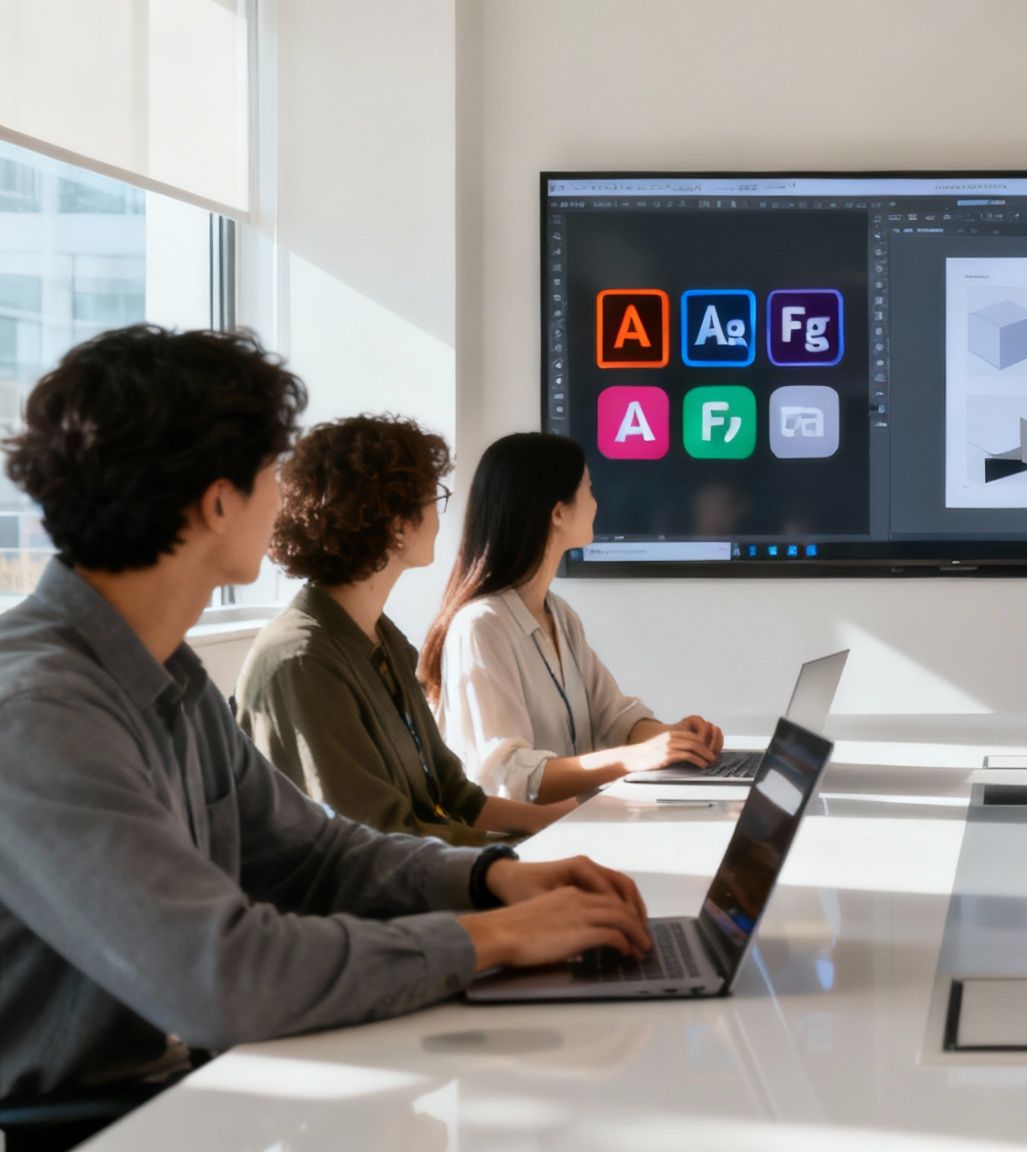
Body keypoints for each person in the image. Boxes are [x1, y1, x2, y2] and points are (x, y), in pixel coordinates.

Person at [0, 326, 652, 1101]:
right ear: (218, 501)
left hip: (199, 1085)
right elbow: (223, 975)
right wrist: (492, 936)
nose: (284, 498)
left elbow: (318, 856)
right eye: (271, 471)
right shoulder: (39, 712)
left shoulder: (168, 672)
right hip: (110, 1121)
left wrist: (491, 880)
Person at [237, 415, 575, 845]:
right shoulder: (302, 660)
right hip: (374, 894)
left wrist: (547, 823)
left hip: (419, 869)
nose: (441, 515)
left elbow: (455, 795)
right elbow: (376, 836)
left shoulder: (384, 638)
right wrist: (511, 860)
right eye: (435, 498)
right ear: (398, 526)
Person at [421, 432, 725, 803]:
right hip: (523, 847)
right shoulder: (480, 626)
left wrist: (670, 738)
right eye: (589, 490)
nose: (596, 505)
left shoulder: (560, 615)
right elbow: (506, 776)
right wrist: (635, 757)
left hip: (574, 827)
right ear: (558, 513)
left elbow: (613, 715)